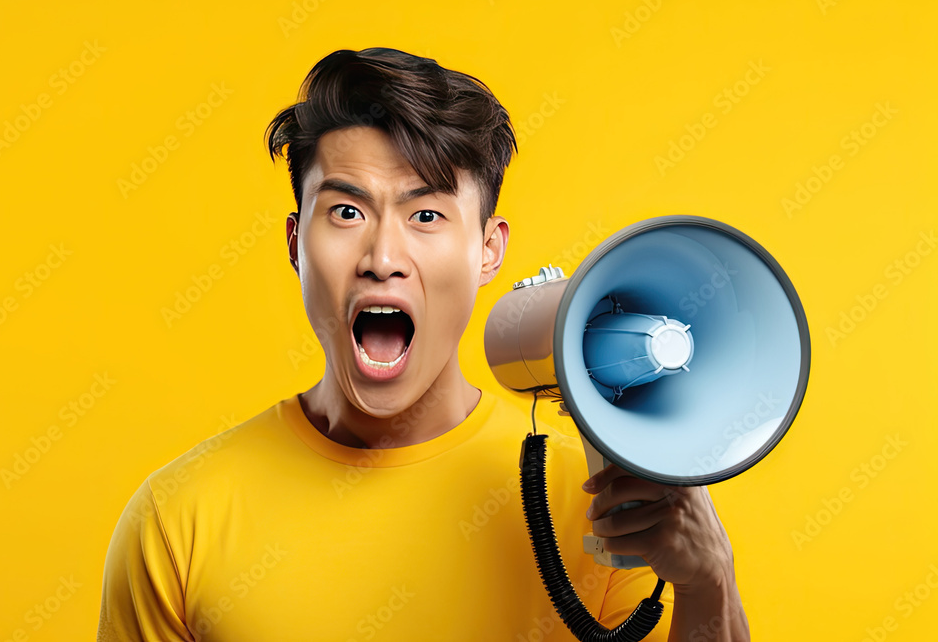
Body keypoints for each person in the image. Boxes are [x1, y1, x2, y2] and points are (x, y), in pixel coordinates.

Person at [97, 47, 749, 641]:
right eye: (346, 212)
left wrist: (707, 577)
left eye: (427, 215)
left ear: (489, 250)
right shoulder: (176, 520)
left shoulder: (597, 498)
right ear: (296, 243)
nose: (383, 256)